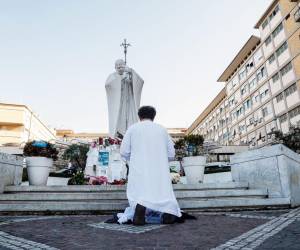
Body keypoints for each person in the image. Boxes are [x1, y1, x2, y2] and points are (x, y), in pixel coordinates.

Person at [120, 106, 182, 225]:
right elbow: (171, 153)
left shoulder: (133, 129)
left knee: (141, 192)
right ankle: (168, 212)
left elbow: (124, 151)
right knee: (161, 191)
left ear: (139, 116)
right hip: (159, 169)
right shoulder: (162, 130)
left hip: (139, 167)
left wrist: (132, 159)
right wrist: (161, 159)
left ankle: (140, 209)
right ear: (154, 116)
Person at [105, 59, 144, 138]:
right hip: (119, 104)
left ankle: (130, 134)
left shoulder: (129, 73)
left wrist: (131, 73)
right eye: (117, 66)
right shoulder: (112, 76)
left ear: (124, 65)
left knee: (130, 119)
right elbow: (108, 85)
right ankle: (118, 136)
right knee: (119, 120)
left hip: (129, 102)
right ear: (115, 67)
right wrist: (120, 79)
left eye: (121, 65)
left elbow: (140, 81)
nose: (119, 67)